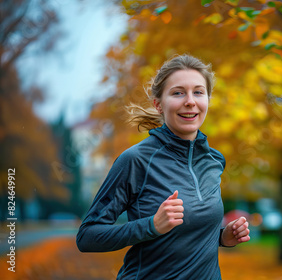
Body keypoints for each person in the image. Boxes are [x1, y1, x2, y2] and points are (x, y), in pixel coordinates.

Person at [76, 54, 250, 279]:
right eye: (178, 93)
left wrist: (223, 237)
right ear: (158, 104)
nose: (190, 101)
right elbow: (87, 237)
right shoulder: (136, 160)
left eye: (198, 92)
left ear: (208, 99)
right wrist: (151, 226)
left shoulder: (214, 161)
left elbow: (188, 232)